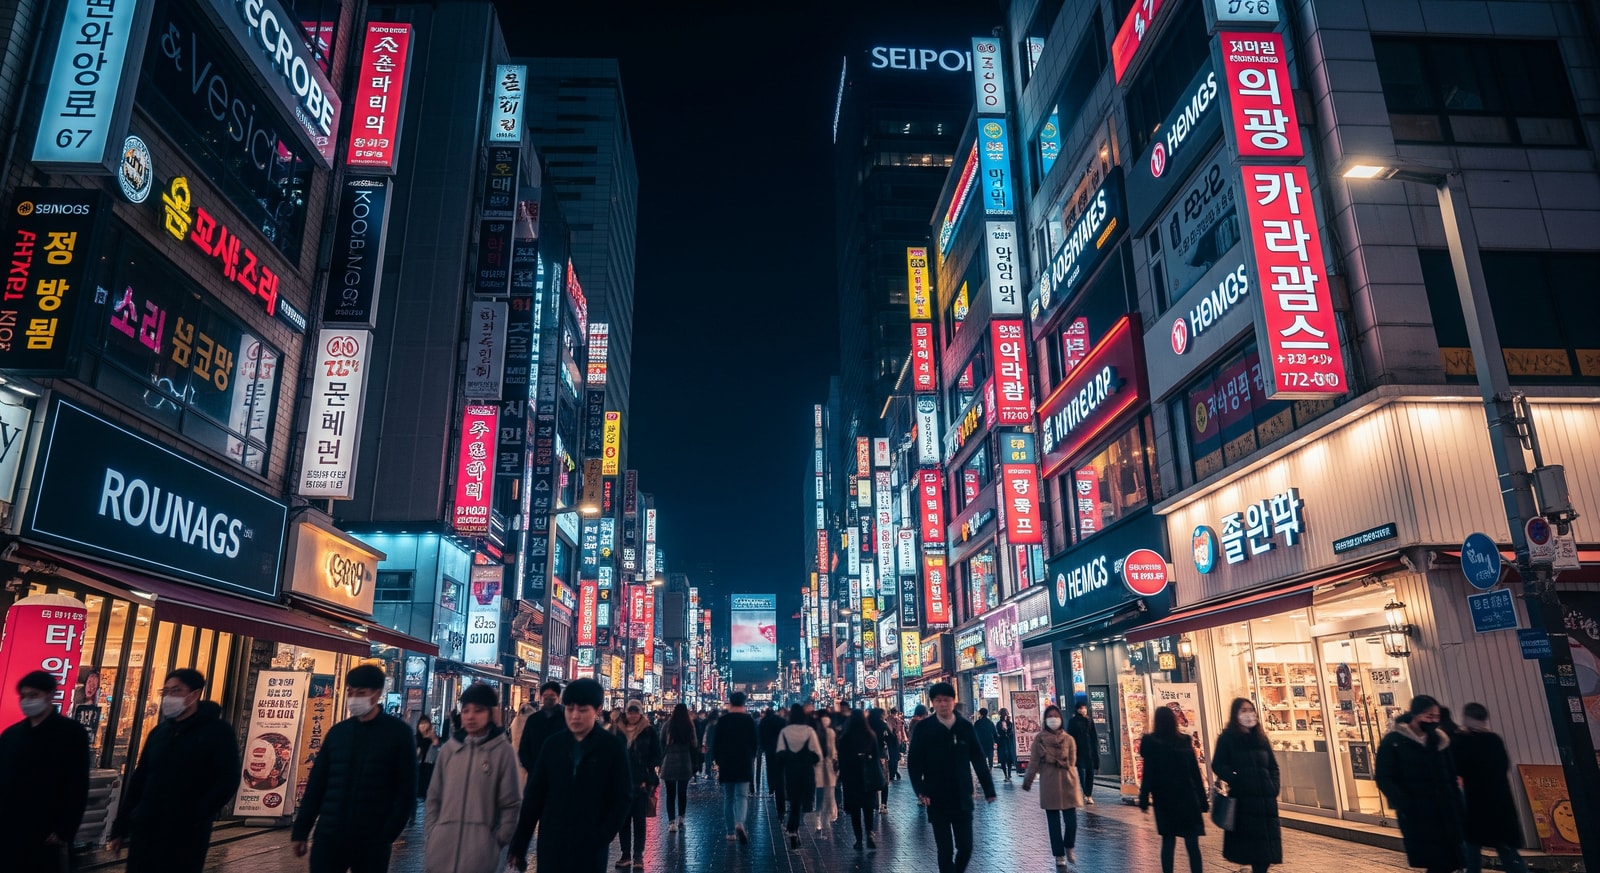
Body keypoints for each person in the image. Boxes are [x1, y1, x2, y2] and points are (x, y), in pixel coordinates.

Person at [108, 668, 238, 873]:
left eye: (175, 691)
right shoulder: (160, 732)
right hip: (146, 827)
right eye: (165, 691)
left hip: (186, 833)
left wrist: (196, 814)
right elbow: (140, 779)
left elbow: (228, 780)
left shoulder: (218, 732)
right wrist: (121, 825)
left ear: (194, 694)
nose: (168, 697)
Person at [290, 665, 417, 873]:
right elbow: (317, 784)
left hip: (372, 839)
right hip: (330, 834)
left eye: (361, 693)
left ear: (376, 694)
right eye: (350, 692)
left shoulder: (398, 734)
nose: (354, 698)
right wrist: (301, 830)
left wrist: (387, 834)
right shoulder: (338, 733)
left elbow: (407, 790)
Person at [508, 679, 631, 873]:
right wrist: (519, 845)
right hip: (552, 841)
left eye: (582, 710)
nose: (575, 716)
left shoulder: (612, 747)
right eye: (570, 709)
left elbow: (622, 797)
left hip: (590, 847)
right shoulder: (553, 746)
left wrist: (602, 836)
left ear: (598, 709)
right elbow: (534, 798)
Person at [0, 670, 90, 873]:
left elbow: (77, 784)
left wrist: (64, 829)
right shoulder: (11, 734)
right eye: (23, 696)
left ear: (50, 695)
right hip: (9, 826)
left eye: (33, 695)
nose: (27, 701)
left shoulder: (71, 733)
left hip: (46, 830)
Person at [423, 684, 520, 873]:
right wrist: (434, 832)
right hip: (441, 852)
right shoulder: (450, 750)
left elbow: (512, 804)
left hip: (481, 856)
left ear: (491, 713)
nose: (470, 716)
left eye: (478, 710)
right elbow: (434, 797)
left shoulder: (503, 752)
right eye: (466, 710)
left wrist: (496, 841)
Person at [908, 683, 997, 873]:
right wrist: (920, 791)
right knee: (945, 849)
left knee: (966, 846)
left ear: (953, 701)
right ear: (932, 703)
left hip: (962, 794)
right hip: (936, 795)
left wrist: (989, 789)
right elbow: (914, 763)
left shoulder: (964, 726)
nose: (943, 704)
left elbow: (978, 757)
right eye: (938, 700)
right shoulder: (924, 728)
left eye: (946, 700)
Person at [1376, 695, 1467, 873]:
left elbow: (1450, 773)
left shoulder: (1440, 741)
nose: (1433, 721)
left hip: (1446, 811)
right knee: (1438, 862)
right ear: (1415, 715)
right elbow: (1383, 776)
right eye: (1428, 716)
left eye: (1436, 717)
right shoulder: (1394, 741)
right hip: (1418, 813)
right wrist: (1404, 803)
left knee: (1448, 863)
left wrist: (1458, 804)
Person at [1451, 703, 1529, 873]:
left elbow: (1458, 768)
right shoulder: (1494, 740)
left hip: (1475, 802)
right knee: (1507, 850)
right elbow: (1503, 765)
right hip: (1501, 802)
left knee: (1472, 849)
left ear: (1466, 719)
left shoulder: (1462, 741)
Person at [1211, 698, 1283, 873]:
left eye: (1250, 710)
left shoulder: (1260, 738)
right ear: (1235, 714)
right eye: (1243, 710)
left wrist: (1274, 787)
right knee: (1253, 850)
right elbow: (1218, 764)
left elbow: (1273, 766)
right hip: (1244, 801)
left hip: (1265, 803)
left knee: (1265, 853)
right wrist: (1236, 778)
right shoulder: (1228, 738)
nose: (1248, 714)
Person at [1139, 705, 1208, 873]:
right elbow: (1194, 772)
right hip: (1188, 798)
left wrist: (1144, 798)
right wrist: (1203, 799)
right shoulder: (1184, 740)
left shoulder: (1150, 742)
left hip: (1164, 799)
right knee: (1192, 844)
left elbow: (1148, 773)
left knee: (1168, 842)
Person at [1022, 704, 1083, 869]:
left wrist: (1059, 760)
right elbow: (1034, 762)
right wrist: (1028, 780)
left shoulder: (1069, 739)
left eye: (1056, 716)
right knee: (1053, 823)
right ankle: (1059, 855)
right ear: (1045, 720)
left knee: (1071, 822)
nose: (1053, 719)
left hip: (1068, 783)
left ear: (1061, 719)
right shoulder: (1039, 740)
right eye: (1050, 716)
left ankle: (1069, 845)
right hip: (1049, 784)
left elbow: (1072, 760)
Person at [612, 701, 662, 868]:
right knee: (623, 820)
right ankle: (625, 855)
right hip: (621, 781)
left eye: (636, 712)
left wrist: (647, 771)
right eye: (630, 712)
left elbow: (657, 754)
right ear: (626, 713)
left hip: (641, 782)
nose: (633, 715)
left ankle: (638, 856)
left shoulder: (648, 731)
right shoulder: (617, 730)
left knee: (639, 820)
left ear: (640, 713)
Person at [712, 691, 759, 843]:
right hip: (744, 762)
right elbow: (754, 743)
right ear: (744, 703)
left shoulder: (723, 720)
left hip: (726, 763)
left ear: (730, 702)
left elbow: (716, 743)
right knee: (742, 796)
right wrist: (751, 757)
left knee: (729, 797)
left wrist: (718, 761)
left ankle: (730, 832)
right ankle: (740, 822)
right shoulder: (749, 720)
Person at [837, 709, 884, 851]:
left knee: (855, 811)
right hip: (868, 777)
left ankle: (858, 840)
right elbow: (876, 756)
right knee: (868, 809)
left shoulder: (845, 738)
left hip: (852, 779)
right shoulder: (871, 735)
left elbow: (841, 760)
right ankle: (869, 834)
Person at [777, 703, 822, 849]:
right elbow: (817, 754)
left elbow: (780, 754)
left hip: (790, 771)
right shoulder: (809, 731)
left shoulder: (784, 732)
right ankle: (793, 827)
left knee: (794, 800)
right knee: (804, 801)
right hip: (806, 771)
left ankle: (792, 828)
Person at [660, 704, 698, 831]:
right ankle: (681, 817)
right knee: (682, 792)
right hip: (684, 761)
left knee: (670, 794)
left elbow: (661, 741)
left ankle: (671, 822)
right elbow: (694, 744)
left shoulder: (668, 725)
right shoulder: (689, 726)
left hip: (669, 761)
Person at [1067, 701, 1099, 804]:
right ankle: (1085, 792)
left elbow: (1094, 735)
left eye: (1084, 708)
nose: (1083, 710)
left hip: (1089, 750)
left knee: (1090, 772)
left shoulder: (1089, 720)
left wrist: (1095, 748)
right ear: (1077, 709)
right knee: (1081, 772)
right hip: (1078, 750)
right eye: (1081, 708)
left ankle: (1089, 794)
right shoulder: (1073, 721)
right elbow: (1070, 736)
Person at [812, 711, 839, 830]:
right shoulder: (825, 732)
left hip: (823, 766)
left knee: (823, 793)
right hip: (825, 766)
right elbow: (833, 751)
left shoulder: (819, 732)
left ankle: (822, 818)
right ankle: (824, 817)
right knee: (826, 792)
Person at [759, 705, 787, 809]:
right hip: (780, 747)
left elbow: (761, 735)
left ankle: (771, 788)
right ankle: (780, 786)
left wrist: (763, 746)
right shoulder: (780, 721)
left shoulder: (764, 721)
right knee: (780, 769)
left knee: (770, 768)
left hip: (768, 748)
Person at [868, 708, 894, 811]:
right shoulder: (883, 725)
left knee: (872, 780)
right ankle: (883, 805)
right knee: (884, 781)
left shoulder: (867, 725)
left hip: (869, 758)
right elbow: (890, 739)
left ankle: (874, 803)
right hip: (881, 756)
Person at [416, 716, 442, 798]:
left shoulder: (436, 741)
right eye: (421, 723)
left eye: (425, 723)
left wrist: (434, 742)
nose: (423, 725)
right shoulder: (414, 739)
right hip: (416, 777)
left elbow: (432, 760)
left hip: (430, 777)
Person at [972, 707, 997, 773]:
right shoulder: (990, 722)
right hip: (989, 742)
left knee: (982, 757)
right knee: (990, 756)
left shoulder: (977, 723)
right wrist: (996, 741)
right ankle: (990, 768)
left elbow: (974, 733)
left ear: (980, 714)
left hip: (980, 742)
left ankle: (984, 769)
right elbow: (994, 732)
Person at [995, 710, 1018, 782]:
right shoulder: (1001, 723)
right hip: (1004, 742)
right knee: (1005, 759)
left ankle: (1007, 775)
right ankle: (1007, 775)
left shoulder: (1007, 723)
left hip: (1005, 742)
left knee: (1007, 759)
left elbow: (1011, 732)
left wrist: (1006, 732)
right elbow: (999, 732)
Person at [888, 708, 908, 779]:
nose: (895, 715)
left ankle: (894, 772)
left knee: (895, 758)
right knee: (893, 758)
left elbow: (902, 730)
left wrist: (904, 738)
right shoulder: (890, 720)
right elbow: (891, 730)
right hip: (892, 741)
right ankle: (893, 773)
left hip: (897, 741)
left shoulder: (898, 720)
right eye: (895, 714)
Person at [701, 711, 719, 779]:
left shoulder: (708, 724)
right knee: (716, 759)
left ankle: (709, 773)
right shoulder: (719, 724)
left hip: (708, 744)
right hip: (716, 744)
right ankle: (716, 771)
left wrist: (703, 744)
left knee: (708, 759)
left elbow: (705, 735)